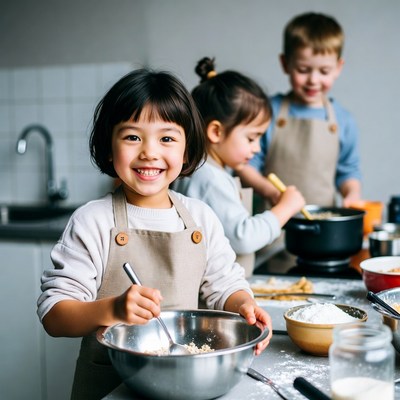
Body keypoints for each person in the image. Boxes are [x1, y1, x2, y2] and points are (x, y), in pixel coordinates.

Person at [36, 69, 273, 400]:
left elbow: (225, 286)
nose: (149, 152)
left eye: (167, 138)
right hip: (110, 385)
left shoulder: (201, 218)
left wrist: (244, 305)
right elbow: (55, 315)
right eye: (132, 137)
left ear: (187, 150)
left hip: (190, 383)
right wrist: (113, 310)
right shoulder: (92, 221)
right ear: (108, 147)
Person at [173, 57, 305, 277]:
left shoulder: (206, 170)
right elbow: (243, 237)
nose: (256, 149)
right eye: (251, 138)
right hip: (213, 298)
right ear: (216, 132)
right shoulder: (210, 178)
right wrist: (285, 209)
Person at [237, 12, 362, 209]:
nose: (313, 80)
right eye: (303, 70)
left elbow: (348, 172)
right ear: (285, 64)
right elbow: (244, 164)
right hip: (271, 221)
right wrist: (270, 191)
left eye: (324, 71)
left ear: (338, 68)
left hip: (323, 227)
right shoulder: (267, 111)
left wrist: (352, 194)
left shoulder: (343, 120)